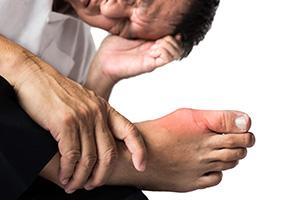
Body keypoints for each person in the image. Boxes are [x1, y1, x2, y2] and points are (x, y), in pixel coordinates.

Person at [0, 0, 255, 199]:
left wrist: (102, 74)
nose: (110, 10)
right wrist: (26, 70)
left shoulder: (76, 50)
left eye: (122, 26)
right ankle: (127, 162)